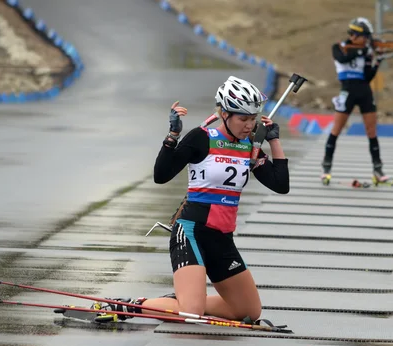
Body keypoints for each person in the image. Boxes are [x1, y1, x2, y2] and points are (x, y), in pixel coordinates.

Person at [92, 76, 290, 323]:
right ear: (224, 114)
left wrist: (274, 140)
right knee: (191, 313)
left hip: (222, 238)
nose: (249, 125)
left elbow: (280, 185)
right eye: (243, 119)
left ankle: (175, 303)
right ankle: (126, 307)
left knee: (248, 312)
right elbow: (161, 176)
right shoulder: (201, 137)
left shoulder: (250, 147)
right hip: (191, 232)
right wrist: (173, 135)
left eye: (253, 119)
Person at [321, 17, 393, 184]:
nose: (367, 40)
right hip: (347, 90)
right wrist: (365, 51)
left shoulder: (366, 51)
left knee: (371, 130)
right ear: (354, 35)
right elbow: (342, 59)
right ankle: (326, 165)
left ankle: (378, 168)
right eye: (365, 37)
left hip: (364, 90)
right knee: (337, 128)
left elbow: (368, 76)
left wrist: (377, 61)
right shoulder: (339, 47)